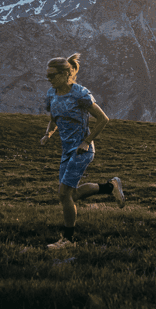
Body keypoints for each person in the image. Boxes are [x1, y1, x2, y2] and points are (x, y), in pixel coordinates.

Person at [39, 53, 125, 249]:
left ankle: (68, 240)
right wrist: (48, 134)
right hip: (66, 151)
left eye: (52, 76)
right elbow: (54, 118)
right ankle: (110, 187)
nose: (49, 80)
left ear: (65, 74)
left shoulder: (79, 94)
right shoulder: (51, 94)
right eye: (47, 76)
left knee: (63, 194)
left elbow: (104, 119)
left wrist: (86, 141)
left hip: (82, 150)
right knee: (71, 195)